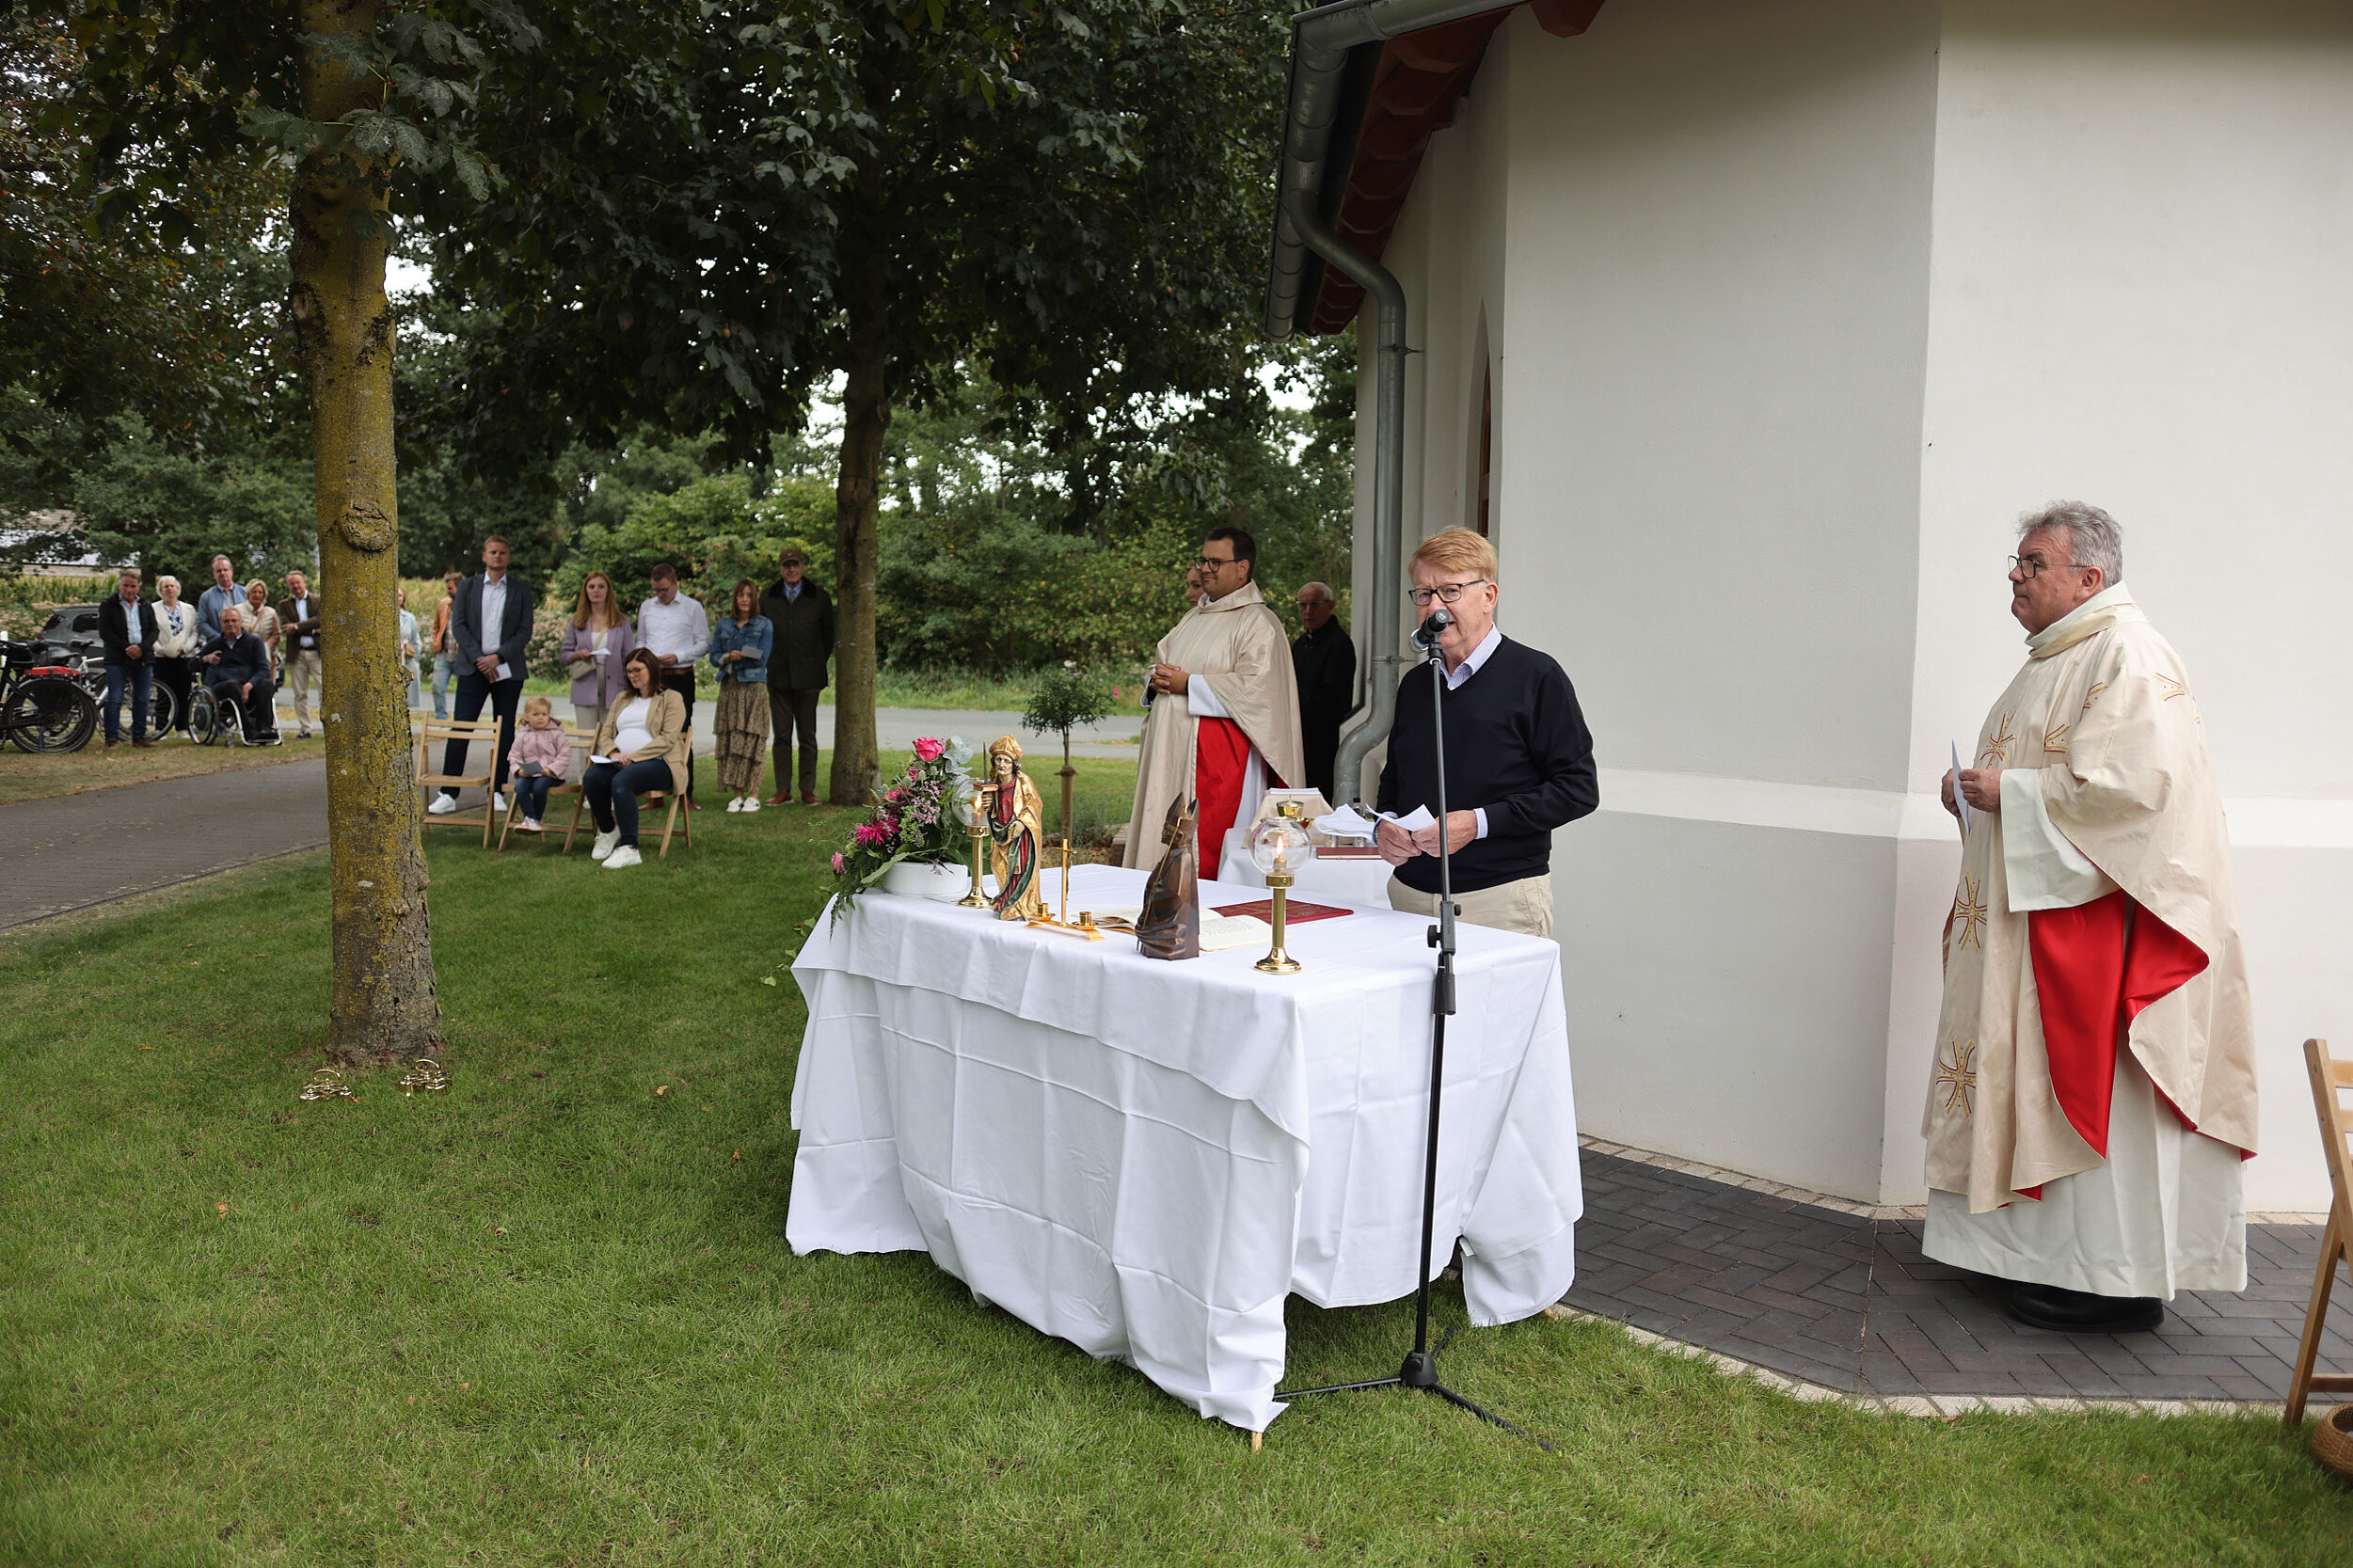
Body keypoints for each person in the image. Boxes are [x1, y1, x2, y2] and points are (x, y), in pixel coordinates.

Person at [1928, 502, 2256, 1335]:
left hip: (2096, 941)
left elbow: (2139, 794)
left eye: (2032, 563)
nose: (2014, 575)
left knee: (2094, 1094)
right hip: (2032, 928)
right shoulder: (2048, 660)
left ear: (2089, 577)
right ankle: (2030, 1255)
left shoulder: (2128, 654)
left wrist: (2016, 794)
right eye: (2016, 560)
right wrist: (1975, 798)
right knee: (2023, 1084)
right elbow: (2042, 784)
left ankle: (2111, 1277)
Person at [1374, 528, 1598, 938]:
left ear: (1489, 596)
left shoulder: (1537, 675)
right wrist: (1384, 825)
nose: (1434, 607)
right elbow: (1396, 779)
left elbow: (1577, 789)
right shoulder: (1416, 684)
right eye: (1423, 594)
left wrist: (1477, 824)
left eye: (1451, 591)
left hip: (1498, 900)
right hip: (1407, 899)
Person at [1124, 527, 1305, 875]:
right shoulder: (1194, 617)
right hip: (1171, 755)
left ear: (1242, 568)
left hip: (1218, 761)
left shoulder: (1259, 622)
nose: (1206, 569)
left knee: (1205, 854)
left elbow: (1258, 691)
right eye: (1203, 560)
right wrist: (1157, 680)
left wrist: (1188, 685)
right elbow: (1164, 663)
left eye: (1216, 562)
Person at [431, 536, 533, 816]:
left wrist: (497, 658)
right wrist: (480, 658)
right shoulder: (468, 587)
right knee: (461, 728)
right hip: (472, 667)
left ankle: (498, 790)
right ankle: (448, 792)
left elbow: (524, 631)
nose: (497, 556)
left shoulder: (521, 590)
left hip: (507, 668)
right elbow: (458, 625)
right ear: (484, 556)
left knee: (504, 732)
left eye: (502, 553)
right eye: (492, 552)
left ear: (508, 557)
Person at [582, 648, 691, 870]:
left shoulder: (671, 698)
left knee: (622, 781)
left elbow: (668, 738)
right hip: (620, 761)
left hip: (661, 764)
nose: (632, 675)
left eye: (637, 670)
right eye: (628, 671)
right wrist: (613, 753)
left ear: (651, 668)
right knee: (592, 777)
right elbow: (606, 732)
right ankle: (608, 830)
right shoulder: (623, 698)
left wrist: (632, 758)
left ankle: (630, 848)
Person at [758, 547, 834, 806]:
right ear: (780, 569)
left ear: (802, 567)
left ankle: (807, 789)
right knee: (781, 736)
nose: (791, 569)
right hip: (777, 675)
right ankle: (783, 790)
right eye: (786, 565)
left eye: (795, 564)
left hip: (808, 677)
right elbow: (761, 633)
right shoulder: (767, 596)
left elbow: (828, 637)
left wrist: (813, 661)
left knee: (807, 736)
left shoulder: (819, 597)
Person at [635, 564, 709, 807]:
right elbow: (641, 640)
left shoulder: (692, 607)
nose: (660, 595)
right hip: (653, 676)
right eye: (656, 590)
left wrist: (677, 656)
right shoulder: (647, 607)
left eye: (664, 590)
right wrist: (647, 659)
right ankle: (654, 794)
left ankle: (685, 794)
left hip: (680, 674)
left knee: (680, 732)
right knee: (650, 731)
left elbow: (704, 643)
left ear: (675, 583)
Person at [711, 578, 773, 812]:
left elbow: (763, 655)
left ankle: (753, 794)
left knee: (754, 739)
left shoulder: (764, 624)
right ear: (735, 598)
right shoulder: (723, 624)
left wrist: (739, 655)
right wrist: (728, 657)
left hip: (754, 686)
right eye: (740, 595)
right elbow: (714, 655)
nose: (745, 599)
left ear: (754, 598)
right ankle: (737, 795)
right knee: (733, 739)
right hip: (730, 686)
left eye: (749, 595)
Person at [1291, 579, 1357, 801]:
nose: (1307, 611)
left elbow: (1334, 700)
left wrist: (1293, 698)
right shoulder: (1301, 643)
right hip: (1298, 739)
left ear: (1330, 606)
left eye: (1314, 605)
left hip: (1322, 743)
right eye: (1302, 605)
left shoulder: (1339, 644)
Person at [560, 570, 633, 736]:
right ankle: (584, 765)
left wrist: (630, 687)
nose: (596, 590)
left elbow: (629, 657)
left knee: (610, 738)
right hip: (586, 682)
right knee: (585, 739)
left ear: (608, 591)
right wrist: (578, 655)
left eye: (601, 586)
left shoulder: (621, 621)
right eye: (591, 586)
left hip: (615, 685)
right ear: (585, 591)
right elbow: (563, 656)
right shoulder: (577, 620)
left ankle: (607, 764)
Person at [97, 567, 158, 750]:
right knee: (115, 698)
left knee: (142, 698)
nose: (129, 590)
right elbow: (105, 632)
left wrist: (141, 648)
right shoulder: (108, 605)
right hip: (117, 658)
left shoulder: (145, 605)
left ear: (138, 587)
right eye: (125, 586)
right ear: (119, 585)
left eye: (133, 586)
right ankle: (111, 737)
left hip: (143, 658)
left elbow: (154, 630)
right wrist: (126, 648)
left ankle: (139, 736)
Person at [197, 606, 277, 736]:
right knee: (232, 685)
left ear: (240, 622)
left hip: (248, 685)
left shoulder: (254, 642)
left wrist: (249, 685)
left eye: (234, 621)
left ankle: (265, 728)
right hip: (222, 688)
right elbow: (192, 665)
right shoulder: (214, 643)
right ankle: (247, 730)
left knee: (266, 684)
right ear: (221, 623)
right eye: (226, 621)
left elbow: (263, 670)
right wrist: (206, 659)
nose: (230, 624)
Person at [506, 695, 570, 834]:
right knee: (520, 786)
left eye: (544, 714)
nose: (540, 718)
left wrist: (551, 769)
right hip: (529, 773)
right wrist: (519, 771)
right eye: (536, 714)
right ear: (527, 717)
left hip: (550, 775)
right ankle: (531, 818)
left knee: (539, 786)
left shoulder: (556, 734)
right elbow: (514, 755)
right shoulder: (523, 736)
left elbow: (564, 756)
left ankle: (536, 819)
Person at [151, 574, 201, 735]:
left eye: (172, 586)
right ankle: (161, 728)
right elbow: (150, 633)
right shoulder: (153, 609)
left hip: (184, 657)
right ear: (160, 590)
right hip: (162, 658)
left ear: (178, 589)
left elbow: (194, 632)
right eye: (166, 586)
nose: (170, 589)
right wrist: (160, 649)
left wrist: (185, 648)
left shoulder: (189, 609)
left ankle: (183, 728)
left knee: (183, 693)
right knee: (164, 695)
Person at [276, 570, 324, 738]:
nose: (295, 586)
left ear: (304, 582)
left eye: (298, 582)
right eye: (292, 584)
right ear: (289, 586)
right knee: (300, 693)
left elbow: (320, 619)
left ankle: (327, 724)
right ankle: (305, 728)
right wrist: (309, 627)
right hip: (297, 653)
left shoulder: (317, 600)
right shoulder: (284, 605)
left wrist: (297, 627)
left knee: (323, 689)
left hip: (317, 653)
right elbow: (286, 627)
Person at [430, 570, 463, 720]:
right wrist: (436, 640)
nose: (447, 591)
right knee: (437, 687)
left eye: (450, 588)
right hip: (443, 653)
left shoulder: (469, 604)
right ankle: (441, 717)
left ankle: (460, 719)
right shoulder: (444, 604)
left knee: (463, 691)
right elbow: (436, 625)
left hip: (462, 656)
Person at [242, 579, 282, 684]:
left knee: (264, 685)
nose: (257, 595)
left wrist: (266, 647)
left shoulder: (270, 612)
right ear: (248, 593)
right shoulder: (238, 610)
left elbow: (276, 634)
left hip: (266, 655)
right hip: (245, 653)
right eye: (254, 592)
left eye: (260, 592)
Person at [195, 555, 240, 643]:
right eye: (219, 571)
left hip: (243, 644)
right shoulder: (206, 597)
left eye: (225, 570)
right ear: (214, 574)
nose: (222, 573)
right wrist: (219, 638)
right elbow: (202, 623)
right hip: (217, 644)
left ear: (231, 571)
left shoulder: (245, 593)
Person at [396, 588, 422, 712]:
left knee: (411, 680)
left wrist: (414, 656)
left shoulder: (409, 617)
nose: (398, 598)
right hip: (393, 657)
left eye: (400, 595)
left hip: (407, 656)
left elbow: (416, 639)